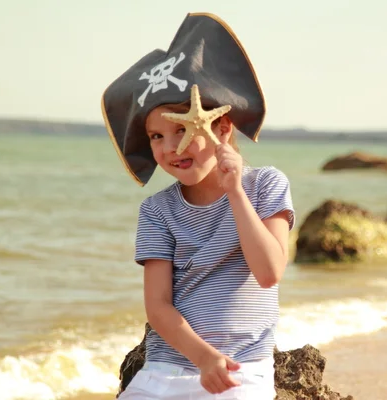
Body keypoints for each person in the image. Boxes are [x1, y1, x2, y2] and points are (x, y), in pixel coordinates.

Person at [101, 12, 294, 399]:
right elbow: (157, 306)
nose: (170, 148)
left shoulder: (266, 185)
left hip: (241, 369)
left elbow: (269, 272)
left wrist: (235, 192)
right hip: (169, 364)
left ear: (222, 127)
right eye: (156, 135)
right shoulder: (157, 211)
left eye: (181, 129)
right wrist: (202, 357)